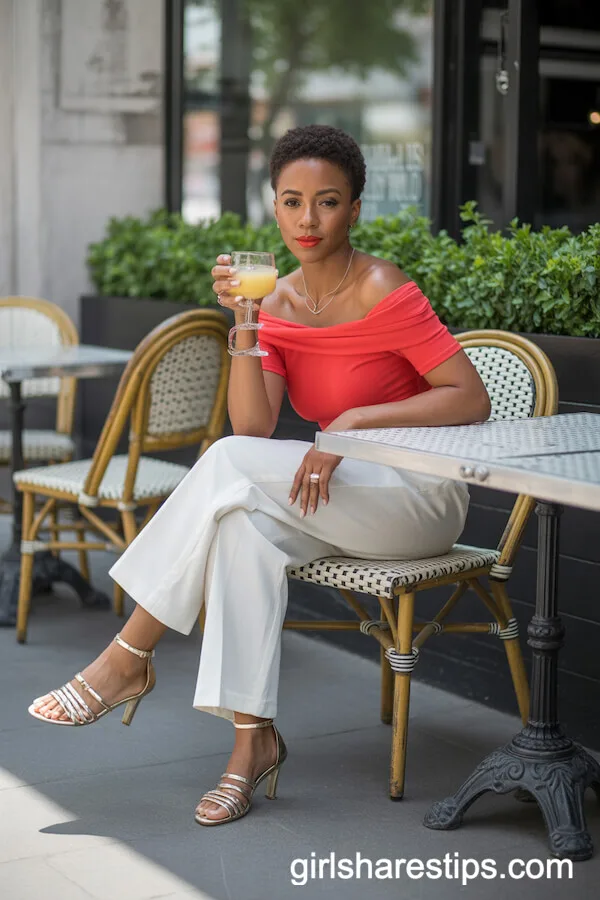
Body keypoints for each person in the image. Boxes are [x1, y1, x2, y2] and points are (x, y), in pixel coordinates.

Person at [29, 124, 491, 826]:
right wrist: (244, 325)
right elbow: (252, 430)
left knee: (224, 469)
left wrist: (354, 427)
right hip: (338, 499)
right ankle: (252, 748)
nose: (309, 220)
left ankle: (128, 656)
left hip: (417, 499)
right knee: (242, 525)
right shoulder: (271, 305)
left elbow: (469, 396)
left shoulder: (383, 288)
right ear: (273, 207)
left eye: (328, 202)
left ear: (356, 209)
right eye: (292, 201)